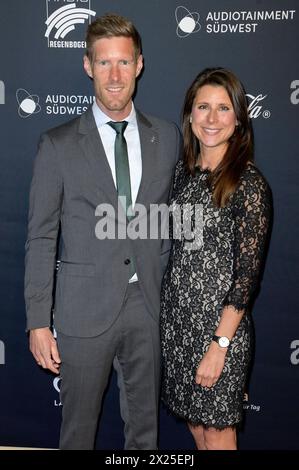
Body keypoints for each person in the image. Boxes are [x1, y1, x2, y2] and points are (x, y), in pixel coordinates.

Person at [24, 14, 181, 450]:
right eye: (105, 62)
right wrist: (38, 321)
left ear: (140, 65)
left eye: (124, 63)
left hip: (148, 307)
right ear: (87, 65)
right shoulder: (56, 145)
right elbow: (40, 236)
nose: (115, 76)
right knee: (77, 434)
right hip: (82, 311)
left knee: (145, 435)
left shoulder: (167, 138)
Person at [160, 67, 271, 450]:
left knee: (218, 434)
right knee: (197, 430)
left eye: (223, 109)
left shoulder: (248, 184)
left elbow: (246, 280)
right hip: (177, 328)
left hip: (219, 334)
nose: (211, 119)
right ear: (189, 115)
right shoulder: (182, 174)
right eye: (203, 107)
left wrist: (219, 346)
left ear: (238, 119)